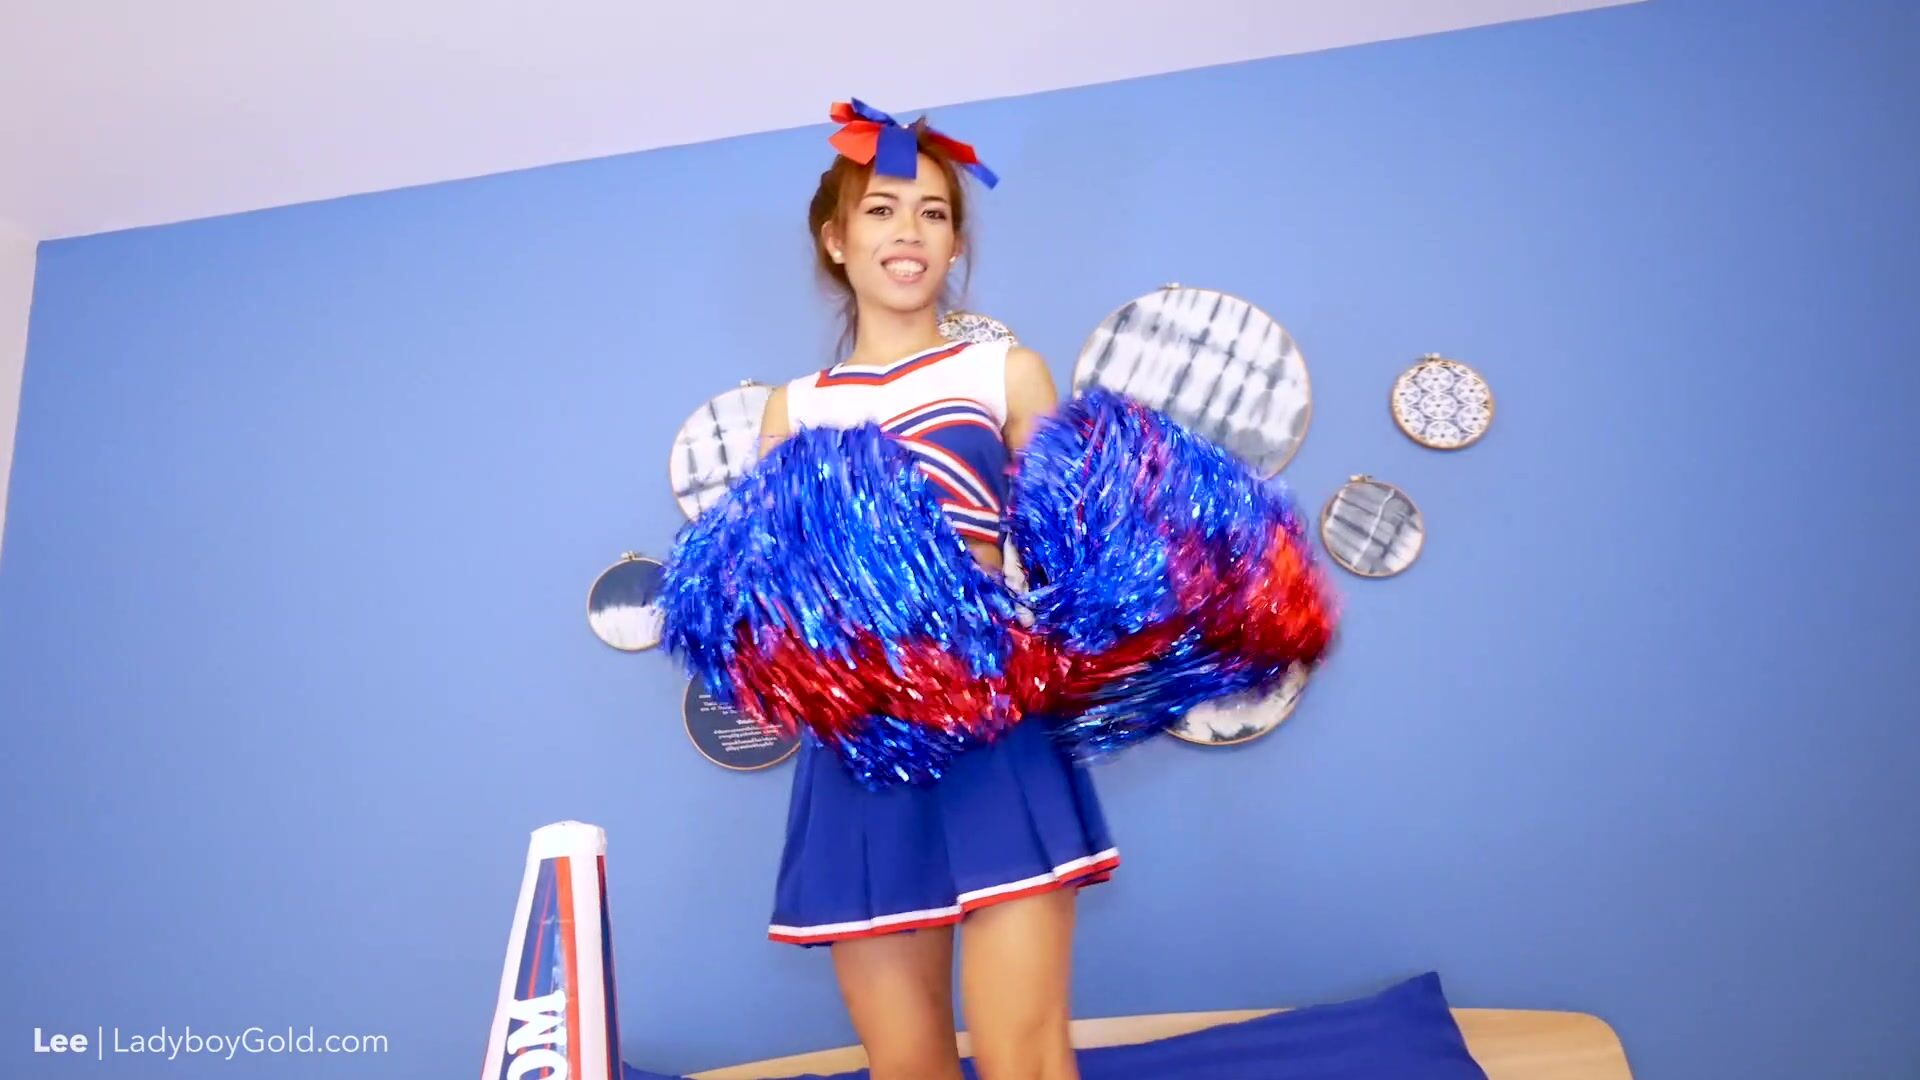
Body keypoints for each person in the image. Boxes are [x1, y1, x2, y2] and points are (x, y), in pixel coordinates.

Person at [755, 104, 1116, 1080]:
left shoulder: (1006, 371)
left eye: (933, 212)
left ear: (955, 243)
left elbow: (1065, 555)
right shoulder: (796, 407)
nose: (908, 231)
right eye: (880, 210)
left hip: (996, 725)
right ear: (836, 240)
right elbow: (779, 593)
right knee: (907, 1064)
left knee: (1023, 1054)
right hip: (861, 743)